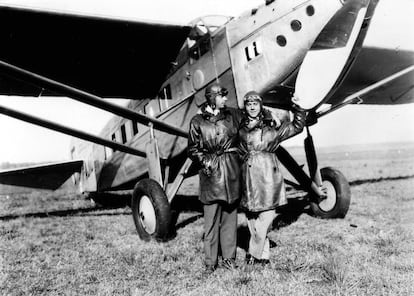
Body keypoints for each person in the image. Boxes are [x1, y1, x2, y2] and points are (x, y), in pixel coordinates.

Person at [238, 91, 305, 265]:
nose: (252, 107)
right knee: (252, 218)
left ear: (260, 106)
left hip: (268, 178)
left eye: (255, 104)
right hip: (247, 177)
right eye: (249, 104)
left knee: (266, 216)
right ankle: (264, 256)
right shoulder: (238, 129)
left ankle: (253, 254)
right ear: (245, 107)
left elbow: (297, 126)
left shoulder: (272, 130)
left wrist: (298, 107)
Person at [188, 83, 242, 274]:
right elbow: (193, 149)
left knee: (230, 219)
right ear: (212, 97)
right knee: (210, 222)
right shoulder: (197, 121)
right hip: (211, 176)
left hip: (231, 173)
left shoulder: (233, 115)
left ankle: (228, 259)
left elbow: (254, 116)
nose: (226, 99)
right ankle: (211, 262)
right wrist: (205, 162)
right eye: (222, 96)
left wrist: (270, 115)